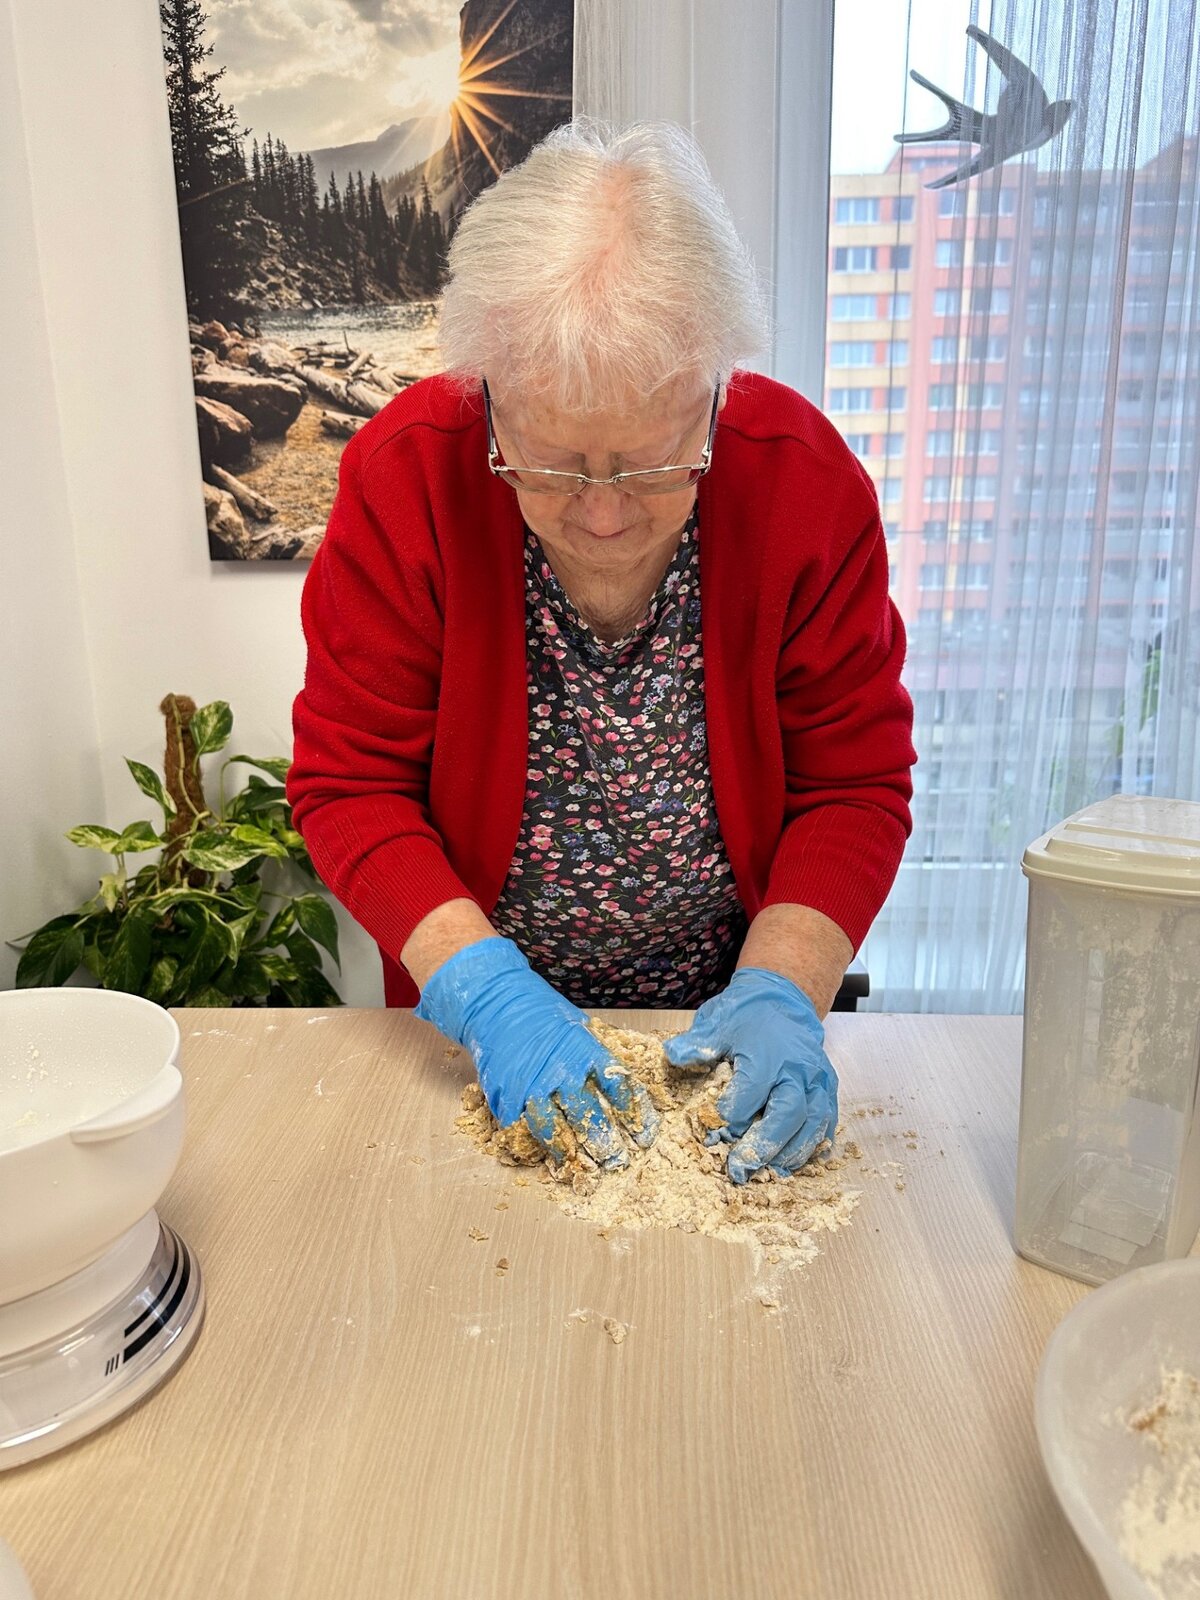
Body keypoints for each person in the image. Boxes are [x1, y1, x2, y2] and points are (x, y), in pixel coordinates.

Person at [288, 120, 915, 1185]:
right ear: (488, 394)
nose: (606, 514)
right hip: (486, 1032)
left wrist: (783, 984)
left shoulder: (804, 486)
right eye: (553, 465)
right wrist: (485, 993)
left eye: (652, 464)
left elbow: (853, 785)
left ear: (715, 390)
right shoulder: (407, 478)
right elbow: (351, 786)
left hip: (720, 1016)